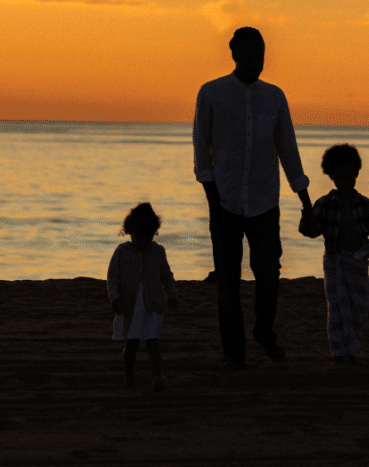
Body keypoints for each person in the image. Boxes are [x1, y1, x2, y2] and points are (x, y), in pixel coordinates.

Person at [193, 26, 312, 370]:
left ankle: (264, 330)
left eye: (260, 55)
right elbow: (202, 152)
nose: (255, 62)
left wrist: (306, 202)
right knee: (228, 282)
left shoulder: (274, 97)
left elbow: (288, 150)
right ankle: (234, 353)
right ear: (233, 55)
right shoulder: (212, 93)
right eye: (248, 55)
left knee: (269, 273)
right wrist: (213, 198)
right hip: (225, 202)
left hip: (264, 203)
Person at [299, 143, 369, 365]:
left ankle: (350, 349)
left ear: (356, 174)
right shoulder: (324, 204)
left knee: (357, 308)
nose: (345, 181)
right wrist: (307, 215)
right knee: (336, 308)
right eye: (340, 177)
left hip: (358, 264)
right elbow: (310, 232)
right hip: (334, 263)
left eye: (349, 176)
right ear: (331, 177)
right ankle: (339, 353)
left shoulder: (365, 204)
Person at [107, 202, 178, 391]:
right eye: (138, 237)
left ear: (153, 233)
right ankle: (128, 375)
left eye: (146, 238)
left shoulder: (158, 252)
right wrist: (115, 298)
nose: (142, 242)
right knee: (131, 344)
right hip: (130, 307)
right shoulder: (121, 253)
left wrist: (172, 294)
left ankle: (157, 377)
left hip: (152, 305)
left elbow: (166, 275)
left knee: (153, 343)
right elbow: (112, 278)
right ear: (130, 232)